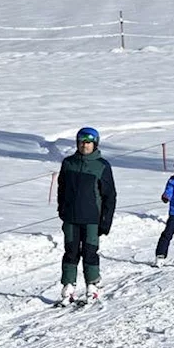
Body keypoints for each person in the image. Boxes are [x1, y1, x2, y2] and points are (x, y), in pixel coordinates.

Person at [56, 126, 117, 305]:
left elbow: (110, 196)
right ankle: (68, 286)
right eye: (82, 142)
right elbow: (62, 189)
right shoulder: (68, 163)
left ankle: (92, 285)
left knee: (90, 252)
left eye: (89, 143)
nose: (85, 146)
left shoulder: (102, 166)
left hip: (92, 219)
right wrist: (62, 210)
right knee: (71, 252)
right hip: (71, 219)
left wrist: (106, 221)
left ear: (95, 144)